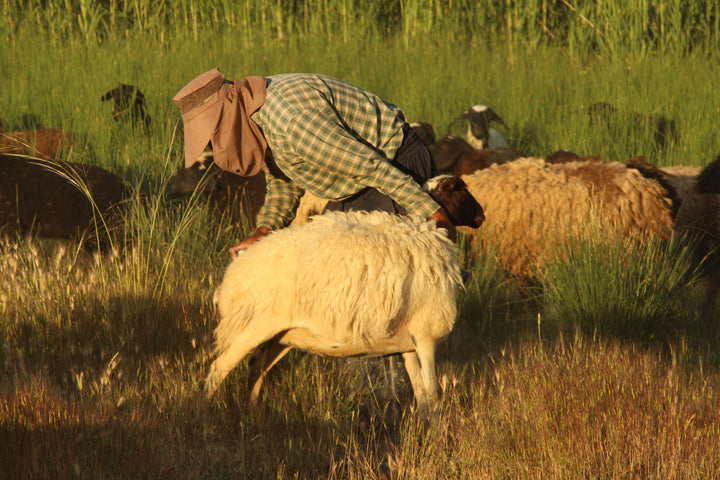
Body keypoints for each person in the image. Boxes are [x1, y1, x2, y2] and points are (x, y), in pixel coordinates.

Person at [173, 68, 456, 257]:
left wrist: (430, 211)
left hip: (394, 162)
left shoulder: (292, 121)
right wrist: (264, 232)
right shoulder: (256, 116)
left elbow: (370, 165)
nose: (213, 145)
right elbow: (283, 181)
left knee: (381, 278)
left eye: (212, 135)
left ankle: (399, 346)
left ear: (227, 115)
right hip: (358, 181)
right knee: (335, 259)